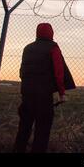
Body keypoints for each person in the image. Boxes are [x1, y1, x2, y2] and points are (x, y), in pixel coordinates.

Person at [14, 23, 68, 153]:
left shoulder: (28, 48)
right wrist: (62, 92)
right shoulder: (53, 48)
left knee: (24, 128)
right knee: (42, 130)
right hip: (44, 96)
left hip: (27, 95)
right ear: (51, 33)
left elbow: (22, 71)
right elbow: (59, 72)